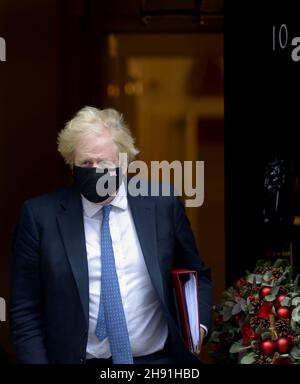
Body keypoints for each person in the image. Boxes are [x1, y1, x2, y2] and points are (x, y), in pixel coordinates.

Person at [10, 106, 212, 364]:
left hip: (157, 362)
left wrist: (197, 330)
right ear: (72, 164)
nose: (95, 169)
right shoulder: (40, 217)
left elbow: (196, 274)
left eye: (104, 162)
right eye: (85, 163)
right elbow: (25, 309)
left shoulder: (161, 204)